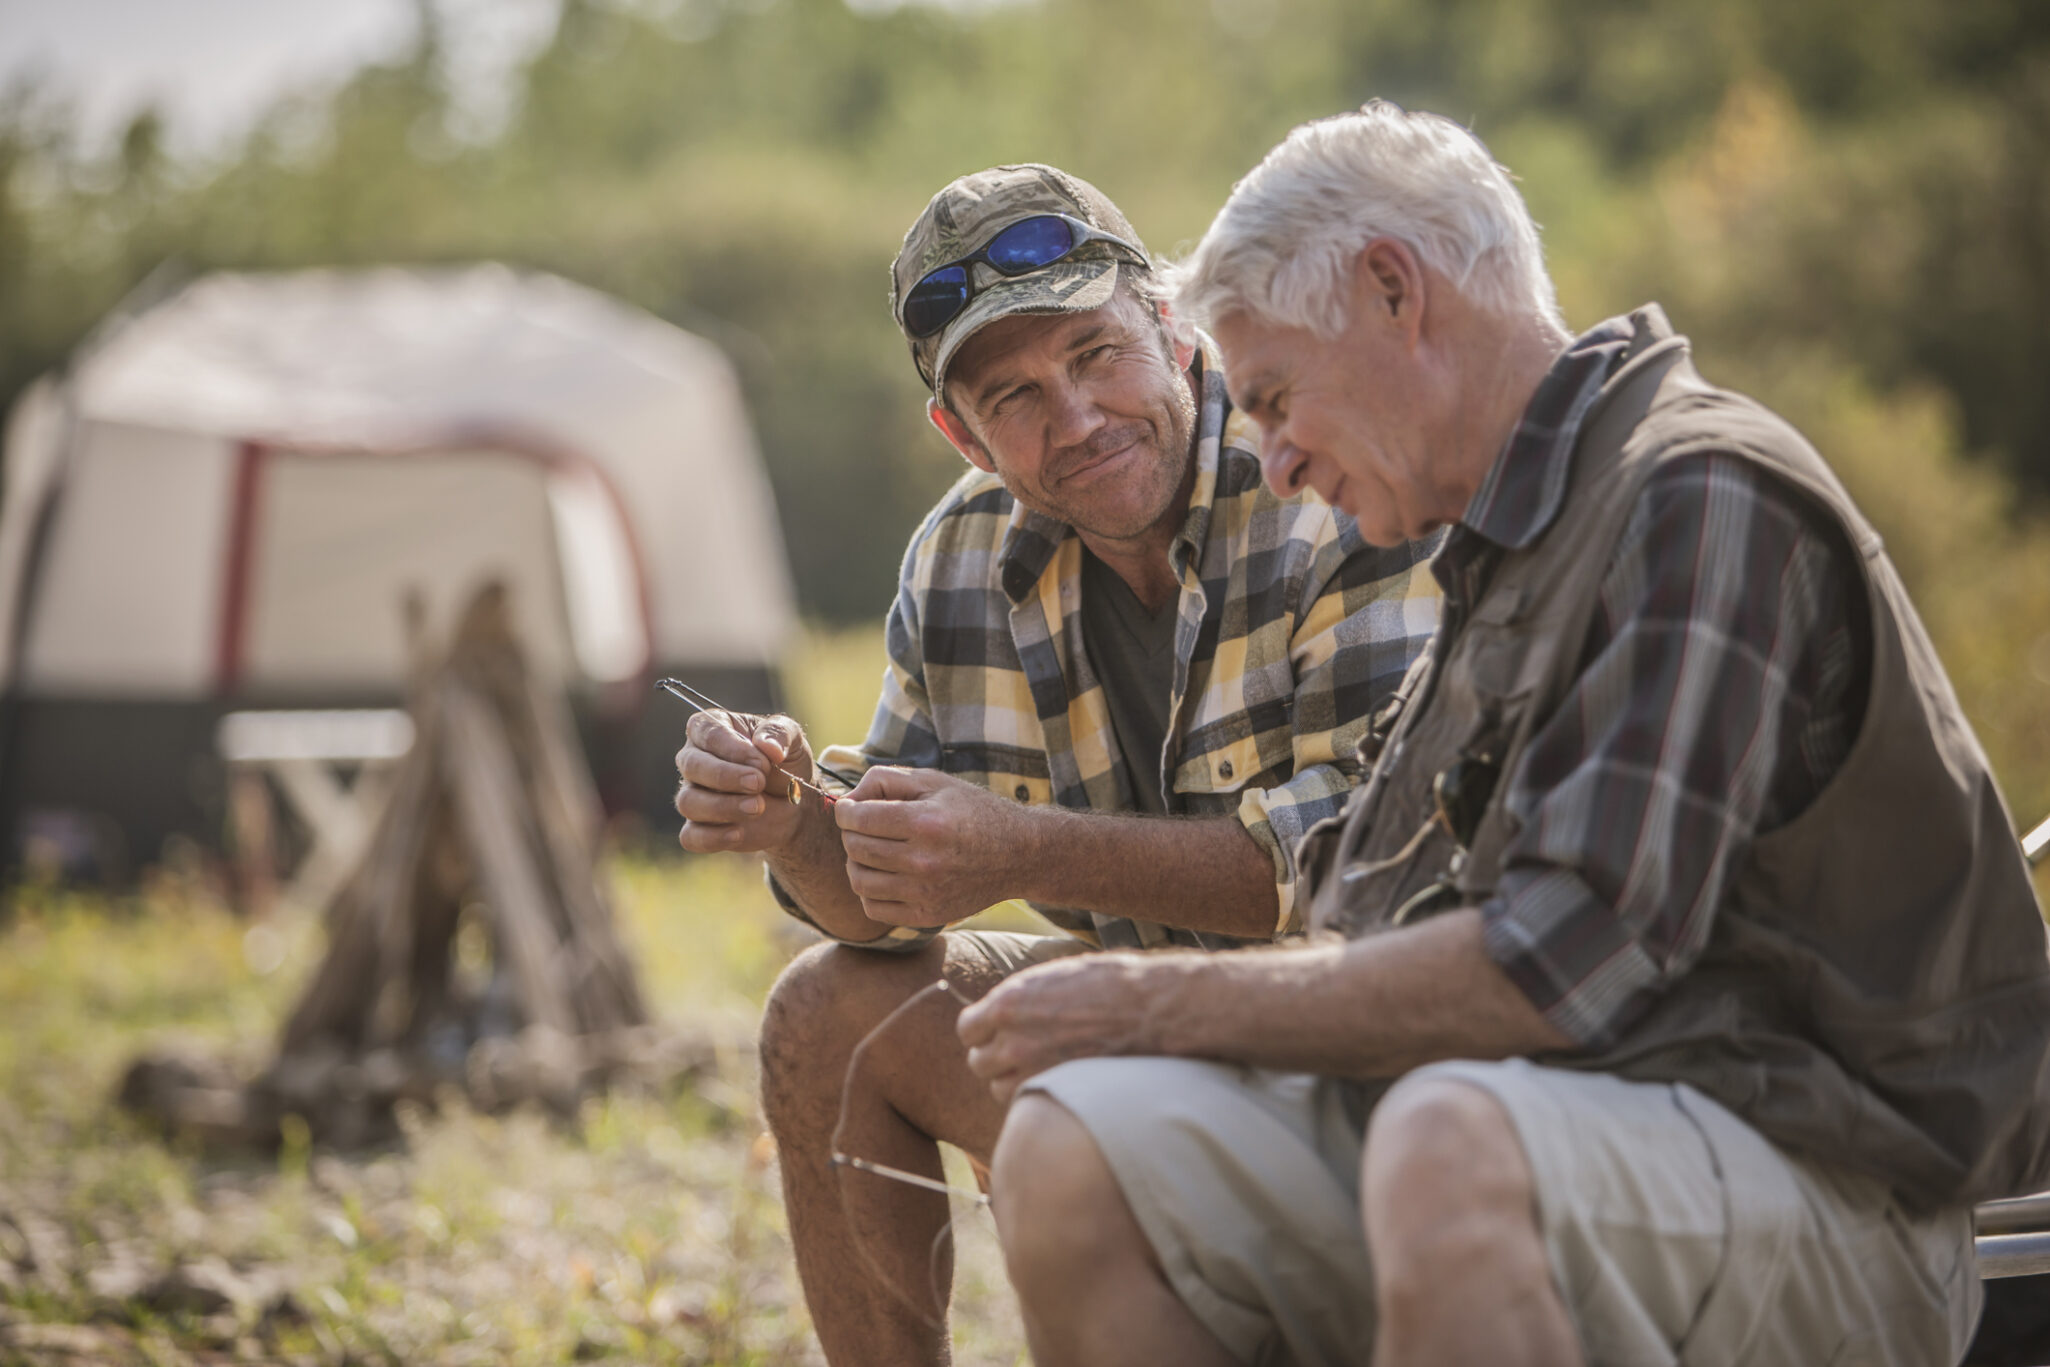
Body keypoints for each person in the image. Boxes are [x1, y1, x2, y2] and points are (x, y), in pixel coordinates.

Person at [962, 104, 2050, 1367]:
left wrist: (1148, 1001)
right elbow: (1351, 905)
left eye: (1270, 396)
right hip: (1537, 1118)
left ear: (1391, 293)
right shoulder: (1500, 546)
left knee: (1448, 1147)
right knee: (1073, 1144)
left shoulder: (1698, 492)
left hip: (1837, 1189)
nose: (1272, 460)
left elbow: (1554, 964)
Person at [670, 162, 1439, 1365]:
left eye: (1095, 356)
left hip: (1379, 1051)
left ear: (1172, 327)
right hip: (1144, 1023)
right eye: (1013, 395)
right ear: (958, 431)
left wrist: (1024, 850)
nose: (1073, 418)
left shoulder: (1319, 476)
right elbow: (876, 910)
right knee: (826, 1007)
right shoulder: (958, 559)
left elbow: (1355, 857)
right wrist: (793, 825)